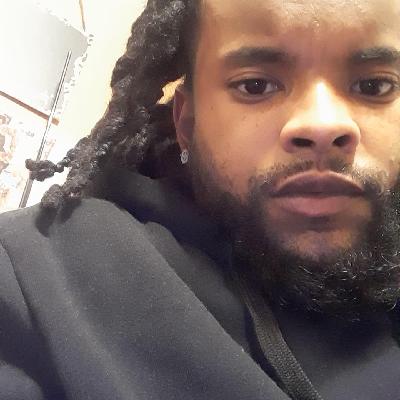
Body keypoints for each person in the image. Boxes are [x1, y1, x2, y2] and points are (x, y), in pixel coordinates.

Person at [1, 0, 400, 398]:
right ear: (187, 123)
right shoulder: (31, 277)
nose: (324, 125)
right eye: (255, 85)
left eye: (374, 86)